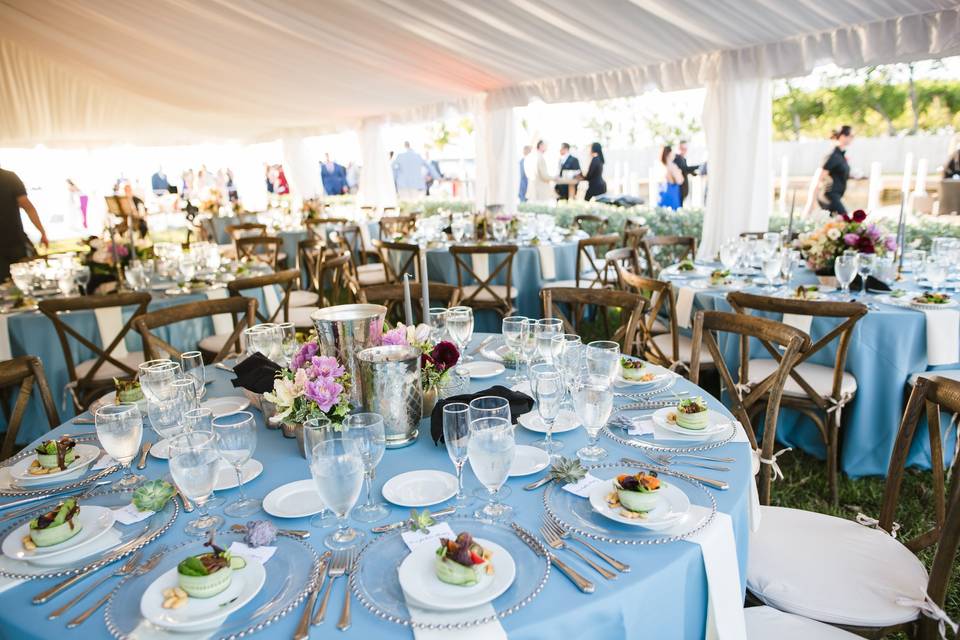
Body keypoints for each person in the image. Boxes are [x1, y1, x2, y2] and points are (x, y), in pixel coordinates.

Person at [0, 166, 48, 280]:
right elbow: (27, 206)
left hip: (14, 241)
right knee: (23, 280)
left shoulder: (9, 177)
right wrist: (42, 232)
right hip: (14, 240)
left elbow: (27, 206)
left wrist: (42, 231)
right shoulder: (9, 177)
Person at [814, 125, 853, 216]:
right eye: (851, 136)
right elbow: (819, 178)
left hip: (837, 196)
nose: (853, 138)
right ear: (843, 137)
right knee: (846, 220)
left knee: (835, 225)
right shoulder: (833, 156)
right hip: (830, 196)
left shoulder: (841, 156)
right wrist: (812, 201)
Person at [673, 140, 699, 206]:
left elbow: (686, 170)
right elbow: (684, 168)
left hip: (684, 187)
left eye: (685, 149)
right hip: (679, 188)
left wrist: (694, 173)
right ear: (678, 148)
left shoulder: (683, 159)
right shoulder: (677, 158)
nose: (684, 151)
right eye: (682, 149)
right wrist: (698, 166)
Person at [657, 145, 683, 210]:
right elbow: (680, 181)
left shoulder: (661, 166)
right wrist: (679, 172)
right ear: (669, 154)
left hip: (662, 195)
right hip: (672, 195)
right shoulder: (672, 166)